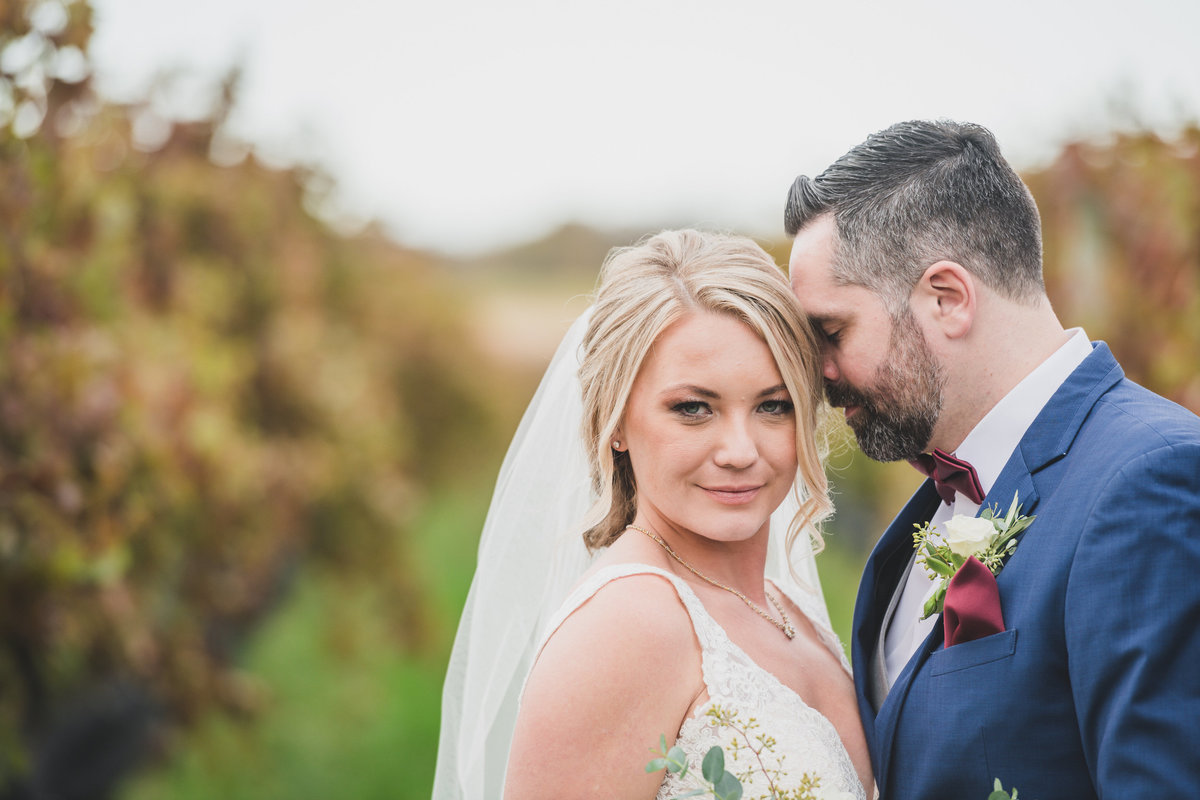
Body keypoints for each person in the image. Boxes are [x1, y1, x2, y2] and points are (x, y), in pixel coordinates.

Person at [784, 119, 1200, 799]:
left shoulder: (1151, 483)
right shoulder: (929, 513)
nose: (819, 374)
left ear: (946, 299)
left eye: (832, 331)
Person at [434, 229, 873, 800]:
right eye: (693, 409)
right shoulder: (626, 626)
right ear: (615, 420)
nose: (740, 450)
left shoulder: (790, 608)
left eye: (773, 405)